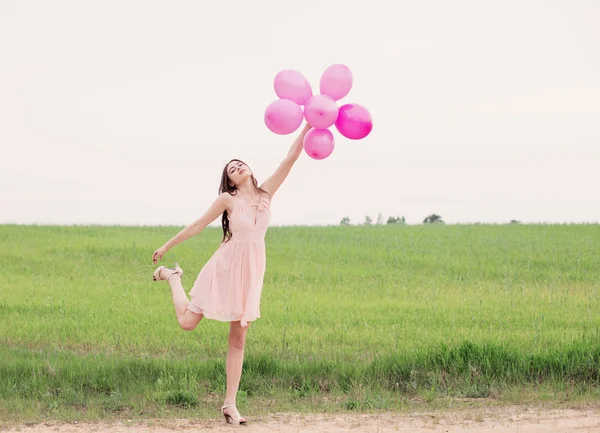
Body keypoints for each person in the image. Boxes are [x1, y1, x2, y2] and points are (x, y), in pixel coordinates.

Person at [151, 123, 312, 425]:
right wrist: (166, 245)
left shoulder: (266, 193)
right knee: (187, 323)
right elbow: (198, 225)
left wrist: (308, 123)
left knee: (238, 340)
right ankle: (174, 278)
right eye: (232, 169)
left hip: (251, 273)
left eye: (240, 164)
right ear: (229, 182)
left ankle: (230, 405)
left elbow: (291, 157)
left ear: (249, 169)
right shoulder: (229, 200)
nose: (237, 167)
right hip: (224, 269)